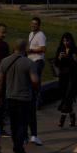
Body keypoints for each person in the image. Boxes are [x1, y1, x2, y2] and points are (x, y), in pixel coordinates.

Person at [0, 39, 38, 153]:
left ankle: (17, 147)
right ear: (25, 49)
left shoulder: (5, 61)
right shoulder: (29, 63)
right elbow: (35, 80)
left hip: (10, 97)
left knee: (14, 124)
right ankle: (19, 150)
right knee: (22, 125)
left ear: (14, 47)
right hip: (24, 98)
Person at [53, 32, 77, 128]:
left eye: (67, 41)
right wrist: (59, 58)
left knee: (67, 96)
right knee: (66, 97)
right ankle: (72, 116)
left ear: (71, 41)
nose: (66, 43)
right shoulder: (60, 49)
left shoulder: (76, 50)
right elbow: (57, 64)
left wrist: (75, 59)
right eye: (64, 41)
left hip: (72, 76)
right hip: (63, 76)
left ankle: (62, 118)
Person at [26, 17, 46, 146]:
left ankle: (37, 98)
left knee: (36, 82)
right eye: (32, 23)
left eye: (35, 24)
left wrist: (32, 50)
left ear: (39, 25)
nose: (33, 26)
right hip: (30, 61)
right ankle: (36, 97)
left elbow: (43, 49)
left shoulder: (41, 35)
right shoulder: (30, 34)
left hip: (38, 61)